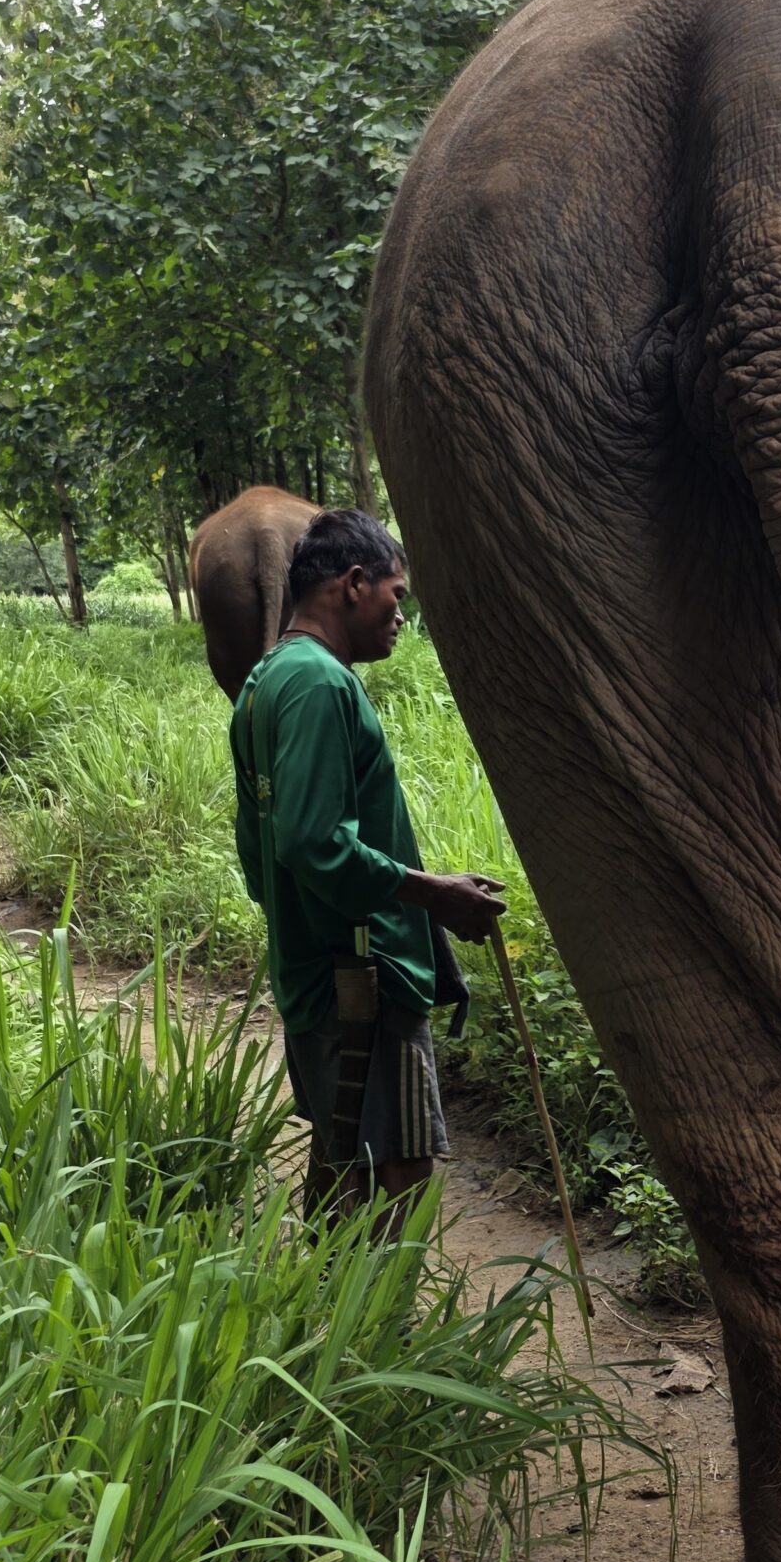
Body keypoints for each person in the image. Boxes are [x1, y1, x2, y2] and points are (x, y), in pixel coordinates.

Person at [230, 507, 506, 1214]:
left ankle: (321, 1310)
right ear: (355, 584)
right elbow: (310, 841)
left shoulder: (265, 681)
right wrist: (429, 893)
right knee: (399, 1173)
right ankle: (387, 1325)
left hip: (315, 969)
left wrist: (307, 928)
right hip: (365, 975)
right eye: (396, 597)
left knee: (342, 1147)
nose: (399, 617)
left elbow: (261, 857)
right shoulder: (323, 685)